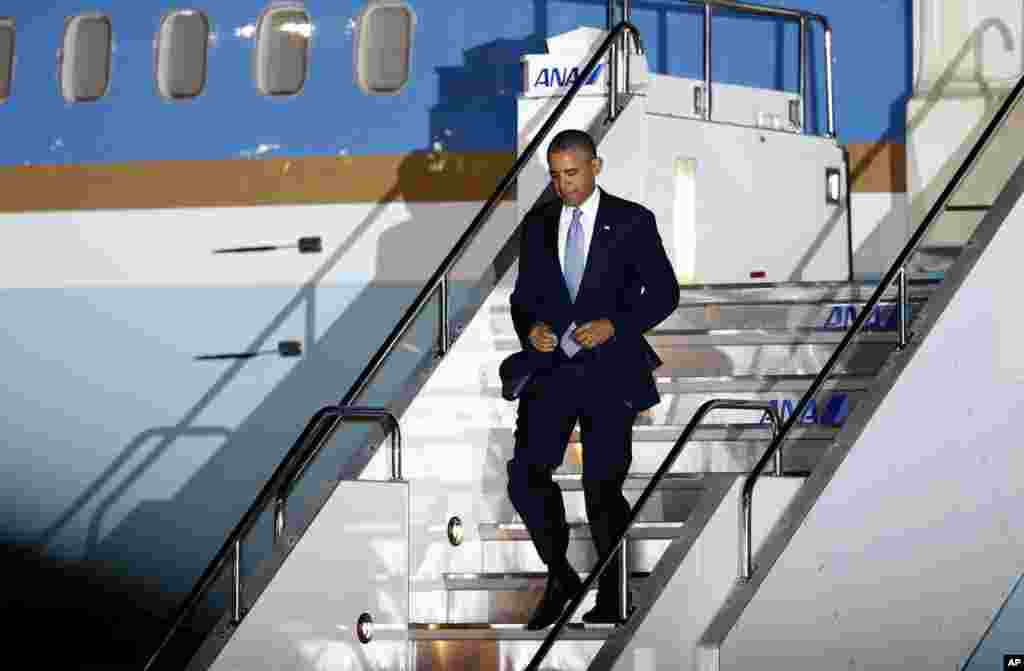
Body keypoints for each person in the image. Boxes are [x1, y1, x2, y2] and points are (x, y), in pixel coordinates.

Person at [506, 128, 680, 629]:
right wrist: (531, 329)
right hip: (552, 374)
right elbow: (523, 299)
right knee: (526, 475)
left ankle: (613, 592)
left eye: (572, 174)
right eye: (557, 177)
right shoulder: (538, 224)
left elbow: (664, 293)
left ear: (595, 167)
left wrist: (615, 325)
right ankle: (560, 574)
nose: (564, 186)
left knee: (601, 488)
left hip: (610, 374)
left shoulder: (631, 221)